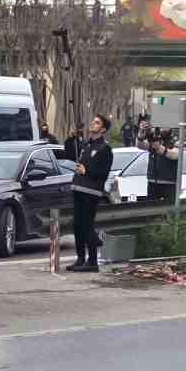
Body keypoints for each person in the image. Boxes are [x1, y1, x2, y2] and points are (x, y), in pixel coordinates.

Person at [69, 115, 115, 272]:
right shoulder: (86, 145)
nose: (93, 124)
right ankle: (80, 258)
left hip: (91, 192)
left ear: (102, 129)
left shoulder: (104, 148)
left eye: (97, 123)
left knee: (87, 225)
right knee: (76, 225)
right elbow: (68, 153)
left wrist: (86, 170)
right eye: (93, 121)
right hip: (78, 189)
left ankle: (92, 260)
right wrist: (71, 139)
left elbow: (103, 173)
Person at [145, 127, 180, 203]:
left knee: (169, 209)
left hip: (169, 182)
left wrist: (158, 147)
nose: (163, 128)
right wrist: (141, 133)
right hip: (153, 181)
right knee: (151, 210)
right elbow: (140, 145)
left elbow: (175, 155)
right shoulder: (154, 136)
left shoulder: (176, 138)